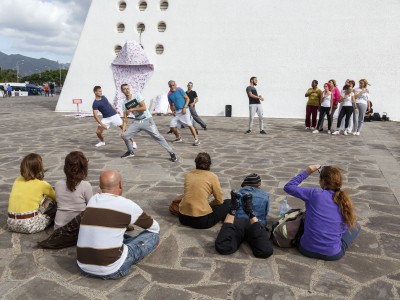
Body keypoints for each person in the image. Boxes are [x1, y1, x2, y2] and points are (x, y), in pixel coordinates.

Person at [76, 170, 160, 279]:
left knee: (109, 232)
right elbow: (154, 227)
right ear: (120, 184)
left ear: (100, 186)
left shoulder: (92, 200)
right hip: (112, 270)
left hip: (83, 266)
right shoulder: (127, 205)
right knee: (153, 236)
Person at [284, 165, 361, 261]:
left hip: (306, 249)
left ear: (322, 181)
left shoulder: (314, 193)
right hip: (333, 255)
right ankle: (334, 245)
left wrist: (308, 171)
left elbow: (288, 187)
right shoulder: (344, 201)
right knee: (356, 226)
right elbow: (345, 226)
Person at [215, 174, 273, 258]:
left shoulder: (238, 192)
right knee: (265, 251)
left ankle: (232, 210)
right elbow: (265, 213)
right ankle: (250, 213)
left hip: (238, 222)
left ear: (244, 184)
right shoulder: (265, 195)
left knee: (223, 247)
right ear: (259, 185)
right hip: (255, 223)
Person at [120, 83, 178, 161]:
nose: (126, 90)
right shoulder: (124, 104)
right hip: (137, 121)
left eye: (127, 88)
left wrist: (133, 109)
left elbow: (144, 107)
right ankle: (130, 152)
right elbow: (125, 119)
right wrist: (123, 131)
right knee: (125, 136)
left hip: (147, 120)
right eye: (124, 89)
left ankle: (171, 153)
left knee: (158, 136)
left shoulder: (136, 95)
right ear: (122, 91)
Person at [178, 152, 230, 229]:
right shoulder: (212, 176)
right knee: (228, 202)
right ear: (209, 164)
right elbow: (219, 200)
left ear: (196, 163)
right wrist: (210, 204)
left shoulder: (188, 175)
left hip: (183, 218)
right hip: (202, 221)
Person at [7, 153, 56, 233]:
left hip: (11, 223)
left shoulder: (17, 180)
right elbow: (57, 198)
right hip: (29, 225)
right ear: (39, 168)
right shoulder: (42, 184)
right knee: (55, 208)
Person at [54, 151, 93, 230]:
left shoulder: (58, 184)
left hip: (59, 228)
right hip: (78, 229)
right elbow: (91, 206)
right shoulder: (85, 185)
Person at [167, 80, 200, 146]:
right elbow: (171, 105)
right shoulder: (169, 94)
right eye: (171, 85)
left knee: (189, 125)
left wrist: (184, 107)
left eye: (173, 85)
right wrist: (173, 111)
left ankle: (197, 140)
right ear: (169, 86)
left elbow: (187, 98)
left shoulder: (179, 90)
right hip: (177, 112)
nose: (172, 86)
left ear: (175, 84)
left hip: (185, 110)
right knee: (172, 126)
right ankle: (178, 138)